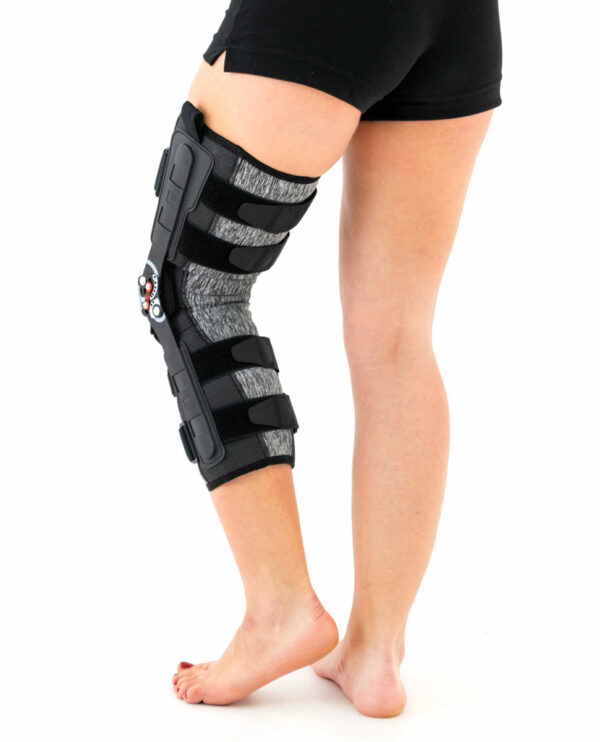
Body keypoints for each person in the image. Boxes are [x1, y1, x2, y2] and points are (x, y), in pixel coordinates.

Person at [161, 0, 502, 718]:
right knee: (397, 338)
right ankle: (375, 655)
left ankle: (280, 609)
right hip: (460, 19)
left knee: (192, 288)